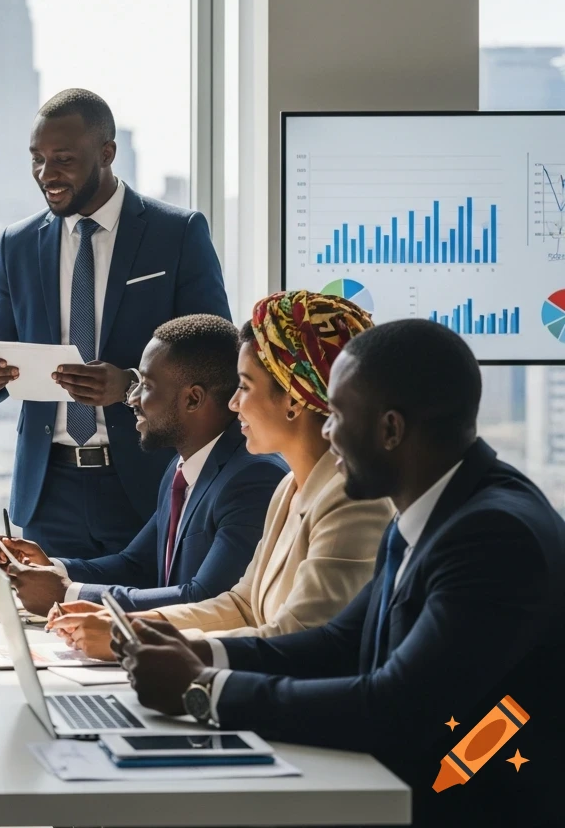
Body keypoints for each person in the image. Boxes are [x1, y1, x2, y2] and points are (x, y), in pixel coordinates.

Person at [113, 319, 565, 827]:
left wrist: (205, 689)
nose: (325, 431)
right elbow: (342, 641)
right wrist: (204, 652)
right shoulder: (431, 506)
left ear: (391, 430)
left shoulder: (492, 536)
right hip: (400, 785)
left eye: (337, 416)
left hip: (465, 806)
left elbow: (395, 707)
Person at [51, 291, 392, 659]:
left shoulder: (352, 501)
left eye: (244, 386)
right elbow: (241, 605)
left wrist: (130, 642)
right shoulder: (288, 490)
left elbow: (296, 639)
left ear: (293, 399)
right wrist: (127, 624)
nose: (232, 403)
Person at [0, 88, 231, 560]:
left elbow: (216, 356)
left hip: (147, 481)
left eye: (63, 159)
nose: (47, 175)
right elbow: (0, 345)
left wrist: (131, 383)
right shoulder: (18, 243)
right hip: (48, 490)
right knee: (49, 623)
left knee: (144, 621)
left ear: (106, 153)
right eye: (37, 159)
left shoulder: (177, 232)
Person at [0, 314, 286, 617]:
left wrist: (67, 593)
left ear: (193, 399)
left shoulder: (254, 477)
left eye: (146, 384)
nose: (131, 397)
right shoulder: (181, 467)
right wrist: (52, 567)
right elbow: (137, 565)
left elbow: (206, 600)